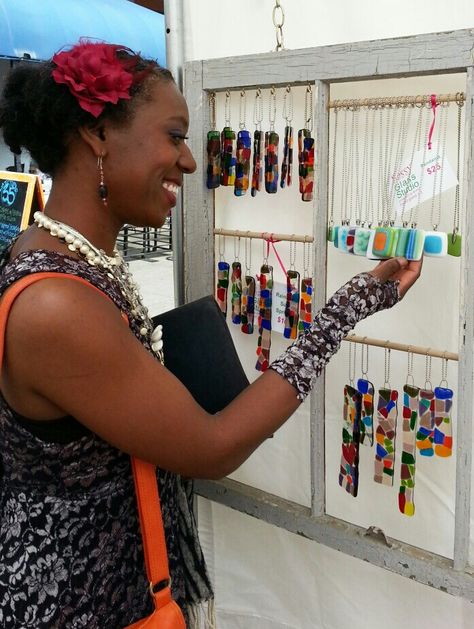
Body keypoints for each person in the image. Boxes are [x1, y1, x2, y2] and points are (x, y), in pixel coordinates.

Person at [0, 40, 422, 629]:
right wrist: (342, 313)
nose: (191, 162)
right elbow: (212, 446)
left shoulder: (77, 267)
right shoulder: (55, 306)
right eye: (173, 136)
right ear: (96, 134)